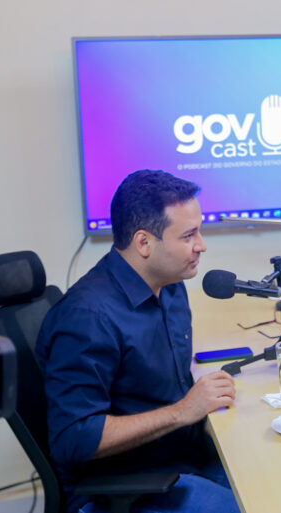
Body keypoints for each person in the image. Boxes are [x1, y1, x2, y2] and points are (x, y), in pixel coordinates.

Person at [36, 170, 239, 513]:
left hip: (182, 458)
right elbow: (73, 438)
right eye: (189, 235)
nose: (201, 245)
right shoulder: (87, 318)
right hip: (126, 486)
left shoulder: (171, 286)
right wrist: (182, 412)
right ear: (144, 243)